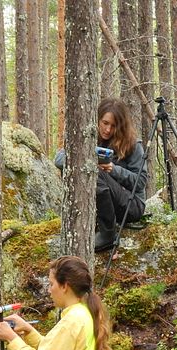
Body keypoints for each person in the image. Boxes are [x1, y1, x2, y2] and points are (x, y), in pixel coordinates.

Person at [55, 97, 148, 251]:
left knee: (95, 171)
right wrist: (86, 157)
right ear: (97, 120)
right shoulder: (88, 137)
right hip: (104, 206)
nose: (108, 130)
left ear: (121, 126)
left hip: (131, 206)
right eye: (105, 123)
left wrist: (113, 169)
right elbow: (59, 159)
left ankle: (108, 233)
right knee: (91, 168)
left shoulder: (133, 144)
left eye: (113, 126)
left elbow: (140, 182)